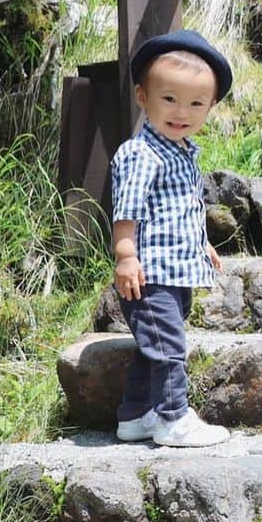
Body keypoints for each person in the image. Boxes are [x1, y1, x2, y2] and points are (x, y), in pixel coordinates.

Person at [110, 29, 233, 447]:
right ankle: (172, 417)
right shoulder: (141, 153)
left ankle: (135, 414)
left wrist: (203, 245)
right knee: (168, 348)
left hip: (176, 270)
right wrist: (126, 256)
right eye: (169, 100)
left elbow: (181, 211)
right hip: (149, 274)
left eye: (196, 103)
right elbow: (126, 211)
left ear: (210, 107)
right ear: (143, 98)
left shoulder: (181, 152)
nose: (182, 112)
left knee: (155, 344)